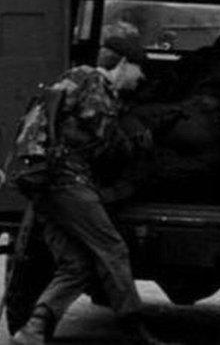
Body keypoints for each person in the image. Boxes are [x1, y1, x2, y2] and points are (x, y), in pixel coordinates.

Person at [11, 35, 169, 345]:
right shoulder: (97, 87)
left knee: (77, 264)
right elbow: (104, 146)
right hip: (67, 182)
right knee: (112, 248)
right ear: (123, 63)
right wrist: (138, 143)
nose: (142, 78)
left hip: (44, 183)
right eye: (139, 69)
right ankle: (135, 330)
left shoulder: (75, 77)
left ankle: (33, 329)